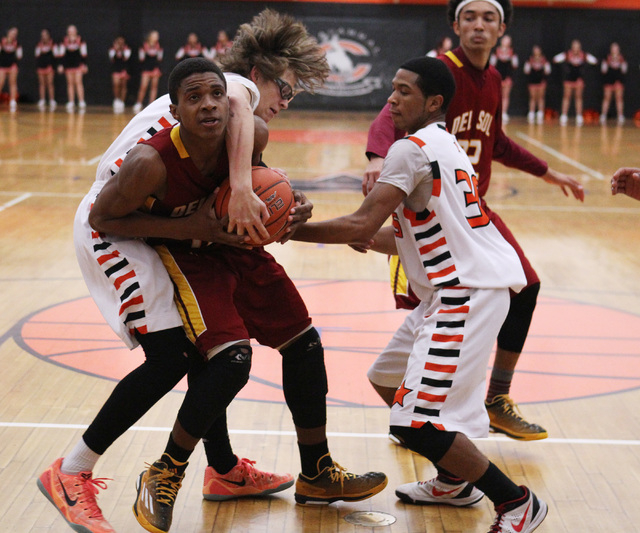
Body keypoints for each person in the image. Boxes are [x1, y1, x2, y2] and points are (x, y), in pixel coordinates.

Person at [37, 10, 384, 533]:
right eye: (284, 89)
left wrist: (282, 213)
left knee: (294, 339)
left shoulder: (238, 127)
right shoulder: (229, 99)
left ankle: (251, 471)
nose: (285, 103)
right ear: (254, 77)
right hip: (118, 228)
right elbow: (111, 215)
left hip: (184, 227)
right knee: (177, 353)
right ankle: (72, 471)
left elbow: (240, 184)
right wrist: (237, 196)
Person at [293, 55, 548, 533]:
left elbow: (361, 221)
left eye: (404, 91)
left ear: (433, 102)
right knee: (387, 379)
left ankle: (517, 502)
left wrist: (285, 232)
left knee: (414, 423)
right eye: (392, 88)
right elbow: (405, 233)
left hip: (464, 295)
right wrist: (367, 236)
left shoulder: (410, 150)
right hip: (451, 291)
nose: (391, 98)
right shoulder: (444, 145)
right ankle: (454, 479)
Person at [362, 0, 585, 451]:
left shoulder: (495, 80)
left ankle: (488, 401)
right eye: (469, 17)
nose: (478, 26)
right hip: (432, 207)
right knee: (429, 309)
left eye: (488, 18)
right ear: (454, 24)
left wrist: (548, 172)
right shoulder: (440, 73)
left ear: (503, 27)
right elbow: (388, 114)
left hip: (470, 208)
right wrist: (376, 156)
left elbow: (496, 141)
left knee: (524, 285)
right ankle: (423, 416)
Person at [553, 39, 597, 126]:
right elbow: (555, 59)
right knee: (566, 97)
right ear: (572, 47)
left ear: (580, 47)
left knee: (578, 97)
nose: (575, 48)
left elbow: (594, 61)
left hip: (579, 80)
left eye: (577, 47)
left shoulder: (583, 55)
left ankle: (579, 116)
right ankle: (564, 115)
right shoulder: (567, 54)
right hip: (569, 79)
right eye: (574, 46)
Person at [57, 25, 88, 112]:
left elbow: (84, 53)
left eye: (73, 30)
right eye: (69, 30)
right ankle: (71, 101)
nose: (71, 32)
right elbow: (61, 54)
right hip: (68, 65)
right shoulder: (64, 40)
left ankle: (81, 101)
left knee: (78, 82)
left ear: (76, 31)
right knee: (70, 83)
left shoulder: (80, 40)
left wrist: (84, 64)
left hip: (78, 64)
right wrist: (61, 65)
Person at [490, 34, 517, 123]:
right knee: (497, 96)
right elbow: (492, 64)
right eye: (505, 40)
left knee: (505, 96)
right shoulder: (496, 51)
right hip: (498, 77)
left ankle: (504, 113)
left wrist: (511, 57)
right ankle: (496, 112)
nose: (506, 42)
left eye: (508, 40)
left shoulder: (512, 53)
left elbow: (515, 65)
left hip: (507, 77)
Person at [134, 30, 163, 114]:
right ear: (150, 37)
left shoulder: (159, 46)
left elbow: (159, 58)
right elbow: (141, 58)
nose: (157, 37)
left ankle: (151, 105)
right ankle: (138, 103)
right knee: (143, 86)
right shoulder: (144, 45)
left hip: (155, 68)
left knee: (154, 87)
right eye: (155, 35)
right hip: (146, 68)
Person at [600, 42, 627, 125]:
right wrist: (608, 62)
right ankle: (603, 115)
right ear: (611, 50)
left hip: (618, 81)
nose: (614, 50)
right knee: (607, 98)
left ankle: (620, 115)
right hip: (609, 81)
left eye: (616, 49)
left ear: (618, 50)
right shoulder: (607, 58)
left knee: (619, 98)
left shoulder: (622, 58)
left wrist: (620, 62)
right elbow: (603, 70)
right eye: (613, 49)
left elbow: (624, 70)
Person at [523, 45, 551, 124]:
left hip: (541, 81)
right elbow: (526, 71)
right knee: (532, 97)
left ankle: (540, 113)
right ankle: (531, 112)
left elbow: (548, 71)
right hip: (532, 81)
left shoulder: (544, 60)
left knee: (541, 97)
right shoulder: (530, 60)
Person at [0, 27, 22, 112]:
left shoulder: (17, 43)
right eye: (12, 32)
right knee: (0, 82)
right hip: (2, 65)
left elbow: (19, 56)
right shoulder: (2, 41)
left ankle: (13, 100)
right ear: (8, 32)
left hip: (12, 65)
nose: (13, 34)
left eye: (15, 33)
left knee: (12, 82)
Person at [35, 29, 57, 110]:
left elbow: (56, 54)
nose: (44, 37)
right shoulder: (39, 44)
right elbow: (36, 55)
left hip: (49, 65)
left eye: (45, 35)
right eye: (42, 35)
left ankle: (51, 100)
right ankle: (42, 99)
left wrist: (51, 48)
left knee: (50, 83)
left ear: (48, 36)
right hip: (41, 65)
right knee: (42, 83)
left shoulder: (53, 43)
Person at [109, 36, 131, 114]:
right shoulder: (112, 49)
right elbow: (111, 57)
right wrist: (116, 49)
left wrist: (121, 49)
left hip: (124, 70)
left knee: (123, 85)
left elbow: (126, 57)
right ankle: (116, 99)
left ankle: (122, 101)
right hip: (116, 69)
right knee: (116, 84)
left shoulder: (127, 49)